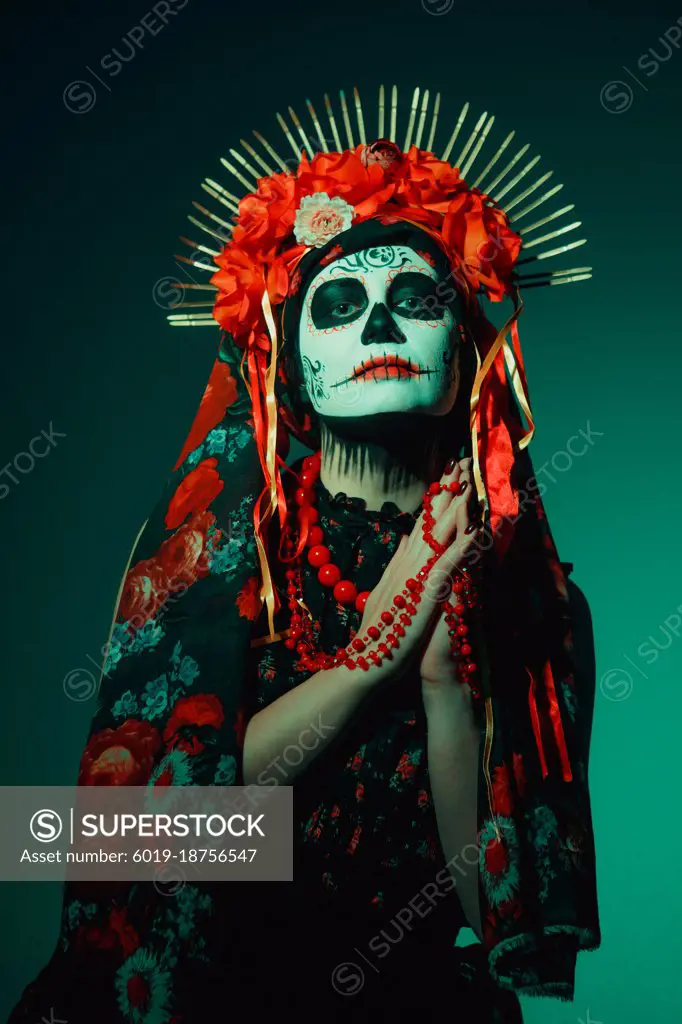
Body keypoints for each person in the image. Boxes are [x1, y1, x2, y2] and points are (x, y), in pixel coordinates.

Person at [9, 86, 601, 1024]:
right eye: (340, 304)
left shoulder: (536, 603)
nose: (378, 329)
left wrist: (445, 683)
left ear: (470, 351)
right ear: (289, 361)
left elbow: (496, 918)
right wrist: (370, 661)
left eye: (416, 298)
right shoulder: (215, 560)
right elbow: (124, 842)